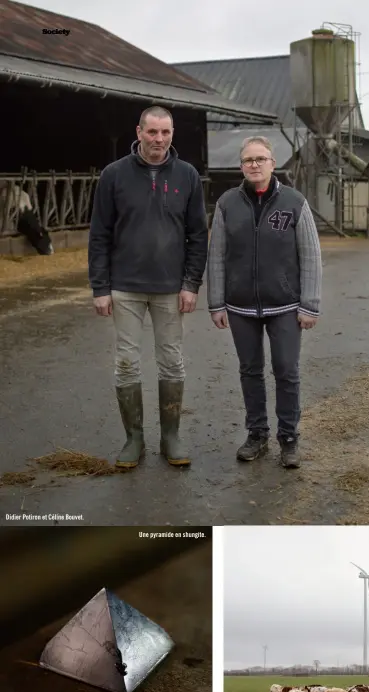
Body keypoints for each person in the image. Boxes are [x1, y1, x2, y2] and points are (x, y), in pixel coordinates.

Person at [88, 105, 208, 468]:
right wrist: (100, 287)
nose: (159, 139)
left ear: (172, 134)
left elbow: (197, 235)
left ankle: (170, 437)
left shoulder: (187, 175)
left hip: (170, 288)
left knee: (171, 362)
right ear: (138, 132)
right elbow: (99, 234)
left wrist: (191, 284)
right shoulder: (114, 175)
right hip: (124, 287)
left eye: (165, 133)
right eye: (152, 132)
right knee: (127, 363)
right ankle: (134, 439)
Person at [207, 136, 322, 468]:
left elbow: (311, 256)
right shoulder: (228, 204)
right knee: (250, 370)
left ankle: (288, 438)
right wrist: (216, 302)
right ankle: (257, 434)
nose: (254, 165)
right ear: (241, 166)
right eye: (248, 160)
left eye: (260, 159)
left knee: (286, 370)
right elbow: (217, 256)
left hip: (285, 305)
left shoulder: (294, 202)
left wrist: (309, 304)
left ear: (273, 163)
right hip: (240, 305)